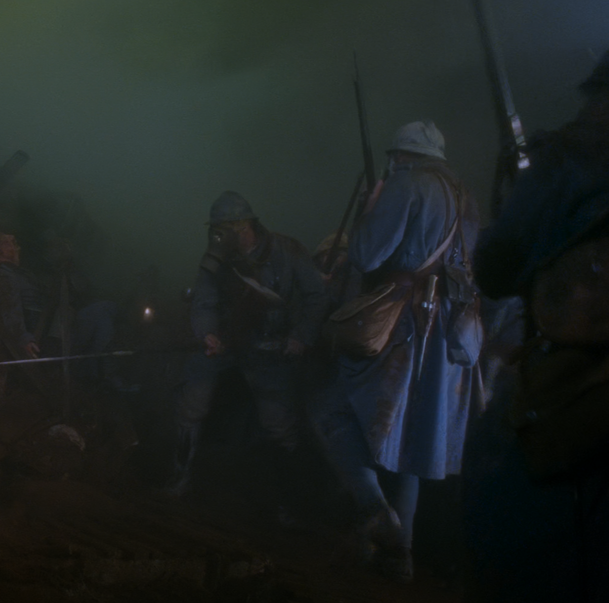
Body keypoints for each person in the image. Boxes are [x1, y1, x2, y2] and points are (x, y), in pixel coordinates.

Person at [469, 36, 609, 602]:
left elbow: (497, 268)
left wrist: (520, 193)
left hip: (588, 382)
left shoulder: (575, 150)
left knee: (499, 465)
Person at [312, 121, 481, 582]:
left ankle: (374, 511)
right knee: (411, 439)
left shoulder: (408, 183)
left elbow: (366, 255)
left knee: (329, 409)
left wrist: (370, 210)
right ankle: (399, 555)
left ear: (402, 156)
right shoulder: (464, 195)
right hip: (446, 329)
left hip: (402, 322)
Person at [167, 191, 328, 499]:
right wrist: (207, 334)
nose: (217, 236)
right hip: (227, 342)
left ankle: (290, 502)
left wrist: (301, 336)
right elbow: (204, 302)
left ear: (244, 226)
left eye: (223, 229)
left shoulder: (287, 250)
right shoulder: (217, 259)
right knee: (191, 403)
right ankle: (179, 478)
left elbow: (316, 297)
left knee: (280, 424)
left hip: (271, 346)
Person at [0, 230, 119, 386]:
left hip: (57, 331)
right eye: (9, 242)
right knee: (103, 309)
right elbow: (9, 308)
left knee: (106, 310)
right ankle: (103, 374)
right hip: (48, 341)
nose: (16, 244)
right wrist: (24, 338)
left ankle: (98, 373)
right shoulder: (4, 274)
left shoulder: (22, 274)